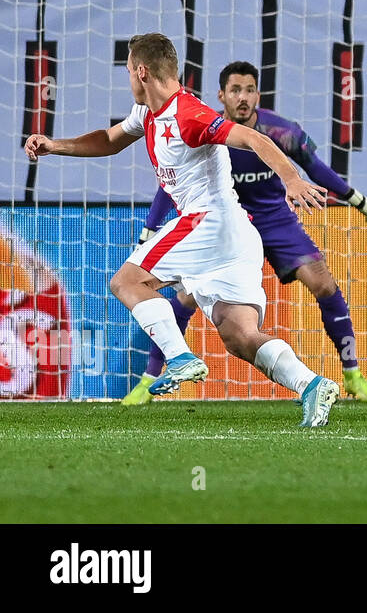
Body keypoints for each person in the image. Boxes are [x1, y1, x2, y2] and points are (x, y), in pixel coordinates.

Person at [23, 34, 340, 427]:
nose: (128, 80)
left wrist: (291, 179)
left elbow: (254, 138)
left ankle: (179, 358)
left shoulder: (189, 115)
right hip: (234, 236)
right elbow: (108, 139)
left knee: (126, 282)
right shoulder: (148, 113)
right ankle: (312, 385)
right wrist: (56, 145)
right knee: (239, 334)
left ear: (141, 72)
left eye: (128, 72)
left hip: (209, 221)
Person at [123, 59, 367, 405]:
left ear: (258, 94)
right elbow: (167, 184)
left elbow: (314, 168)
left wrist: (358, 200)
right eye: (235, 90)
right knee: (186, 299)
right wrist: (149, 228)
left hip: (274, 219)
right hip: (228, 225)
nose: (243, 97)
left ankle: (352, 374)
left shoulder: (278, 133)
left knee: (324, 283)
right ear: (222, 95)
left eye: (250, 90)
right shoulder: (205, 129)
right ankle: (152, 376)